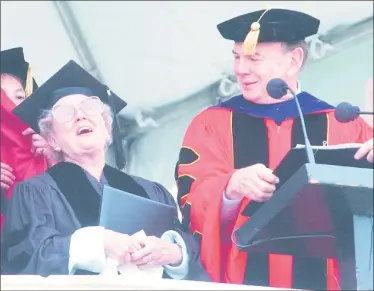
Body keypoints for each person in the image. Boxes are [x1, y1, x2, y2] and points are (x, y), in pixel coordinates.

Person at [174, 7, 373, 290]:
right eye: (237, 57)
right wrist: (230, 188)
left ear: (293, 61)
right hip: (240, 281)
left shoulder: (342, 124)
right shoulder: (211, 124)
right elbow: (190, 207)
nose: (241, 69)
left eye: (254, 58)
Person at [1, 60, 205, 281]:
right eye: (64, 112)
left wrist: (174, 254)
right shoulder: (34, 194)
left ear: (107, 129)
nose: (80, 116)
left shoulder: (151, 192)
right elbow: (22, 264)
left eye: (90, 107)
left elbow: (197, 256)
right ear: (52, 139)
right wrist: (99, 243)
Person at [0, 47, 50, 229]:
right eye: (2, 96)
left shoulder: (49, 147)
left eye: (19, 97)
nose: (9, 104)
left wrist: (53, 156)